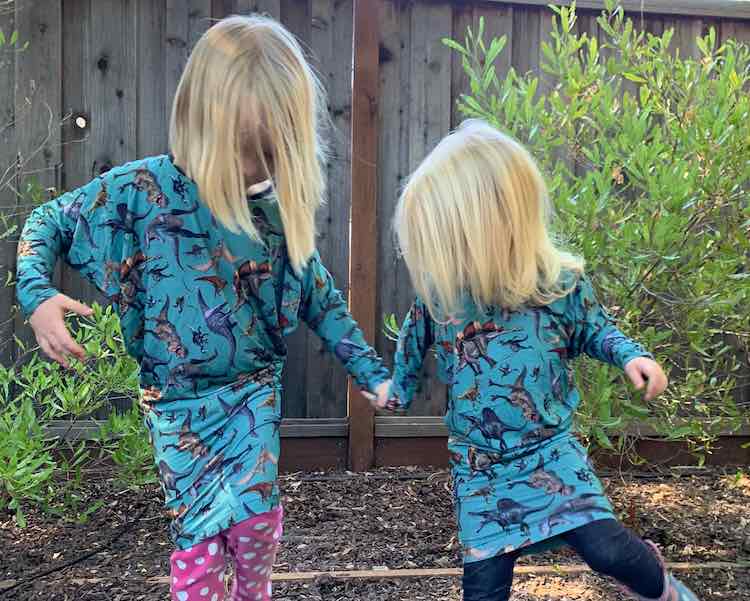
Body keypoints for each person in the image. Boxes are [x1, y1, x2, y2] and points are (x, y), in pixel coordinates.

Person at [17, 15, 388, 601]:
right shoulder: (141, 192)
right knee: (198, 545)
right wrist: (37, 297)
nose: (253, 170)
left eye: (269, 154)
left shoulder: (272, 214)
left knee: (255, 528)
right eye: (243, 151)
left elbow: (320, 296)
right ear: (199, 122)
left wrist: (369, 369)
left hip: (250, 396)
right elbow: (46, 223)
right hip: (177, 403)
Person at [375, 119, 699, 601]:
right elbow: (411, 341)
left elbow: (595, 329)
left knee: (607, 552)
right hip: (480, 469)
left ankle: (660, 583)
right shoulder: (440, 300)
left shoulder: (555, 285)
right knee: (483, 590)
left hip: (550, 451)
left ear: (495, 225)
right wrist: (395, 390)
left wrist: (632, 357)